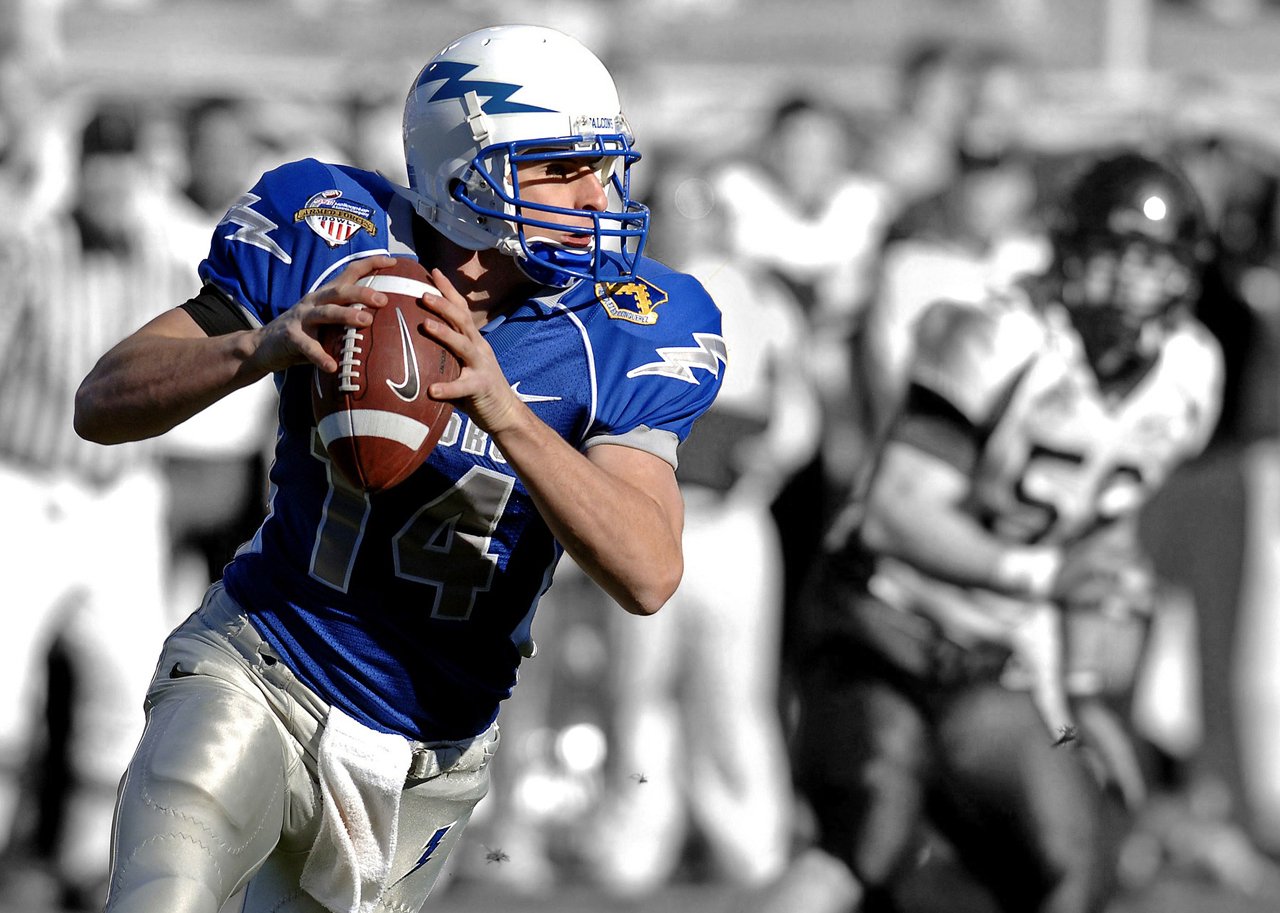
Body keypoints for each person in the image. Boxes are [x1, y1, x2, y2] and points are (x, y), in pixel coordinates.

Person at [74, 24, 724, 913]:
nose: (598, 194)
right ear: (468, 172)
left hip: (428, 751)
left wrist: (505, 412)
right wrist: (255, 348)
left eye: (603, 166)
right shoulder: (331, 231)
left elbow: (648, 571)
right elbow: (103, 401)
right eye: (562, 168)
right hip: (263, 663)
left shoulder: (631, 322)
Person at [752, 150, 1224, 913]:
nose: (1133, 279)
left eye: (1154, 258)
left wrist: (1082, 686)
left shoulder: (1191, 372)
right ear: (1069, 250)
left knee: (1075, 871)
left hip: (994, 653)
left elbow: (1106, 524)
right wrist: (1040, 579)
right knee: (866, 850)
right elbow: (896, 511)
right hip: (881, 622)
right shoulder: (999, 335)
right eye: (1115, 253)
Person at [584, 159, 822, 896]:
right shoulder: (614, 292)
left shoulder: (758, 294)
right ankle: (637, 839)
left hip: (731, 520)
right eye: (673, 209)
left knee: (733, 689)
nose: (686, 223)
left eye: (699, 209)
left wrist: (770, 460)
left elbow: (799, 409)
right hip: (642, 515)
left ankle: (750, 840)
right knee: (638, 687)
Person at [0, 98, 181, 911]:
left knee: (127, 694)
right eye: (100, 160)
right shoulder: (29, 250)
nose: (111, 179)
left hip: (124, 498)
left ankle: (88, 865)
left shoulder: (164, 261)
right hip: (29, 485)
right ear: (79, 167)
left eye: (125, 161)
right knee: (5, 694)